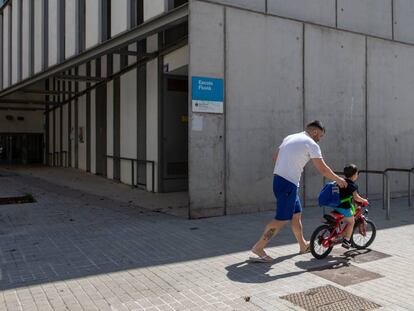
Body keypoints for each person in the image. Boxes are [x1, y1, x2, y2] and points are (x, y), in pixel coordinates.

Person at [250, 120, 348, 262]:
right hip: (287, 184)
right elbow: (322, 169)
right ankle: (258, 247)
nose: (320, 139)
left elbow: (275, 157)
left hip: (281, 181)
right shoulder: (311, 143)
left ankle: (303, 245)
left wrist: (287, 166)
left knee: (296, 214)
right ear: (315, 131)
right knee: (282, 219)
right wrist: (338, 179)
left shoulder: (290, 137)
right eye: (320, 136)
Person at [335, 164, 368, 249]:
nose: (357, 175)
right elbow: (356, 197)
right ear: (353, 175)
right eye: (357, 174)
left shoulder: (341, 182)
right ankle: (346, 240)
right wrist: (364, 200)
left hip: (336, 205)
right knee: (351, 222)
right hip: (345, 207)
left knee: (341, 220)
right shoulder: (352, 185)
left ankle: (338, 233)